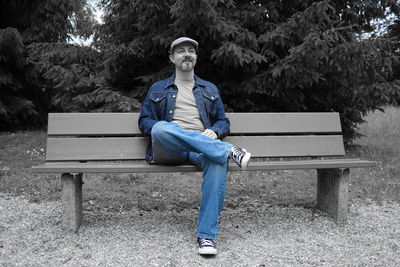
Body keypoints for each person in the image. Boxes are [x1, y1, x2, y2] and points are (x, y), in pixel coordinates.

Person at [138, 37, 251, 255]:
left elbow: (222, 121)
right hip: (169, 148)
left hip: (202, 148)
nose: (187, 54)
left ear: (196, 57)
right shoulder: (158, 88)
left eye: (191, 51)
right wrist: (175, 130)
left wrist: (215, 132)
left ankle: (206, 237)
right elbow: (145, 122)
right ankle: (228, 151)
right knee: (160, 128)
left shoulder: (209, 88)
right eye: (181, 51)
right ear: (172, 58)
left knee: (217, 163)